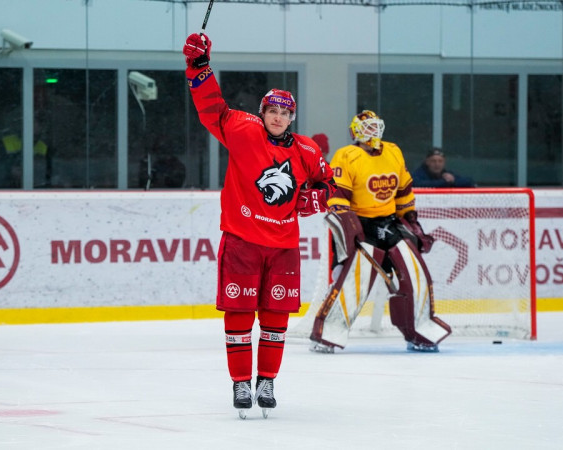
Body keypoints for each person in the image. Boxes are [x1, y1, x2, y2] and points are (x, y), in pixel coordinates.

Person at [183, 33, 336, 419]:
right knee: (237, 315)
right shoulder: (243, 130)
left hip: (283, 247)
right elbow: (211, 109)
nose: (278, 116)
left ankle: (265, 381)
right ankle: (239, 382)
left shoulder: (306, 151)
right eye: (272, 110)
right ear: (263, 112)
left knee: (275, 317)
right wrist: (199, 68)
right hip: (241, 242)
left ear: (292, 117)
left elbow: (327, 183)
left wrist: (314, 198)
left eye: (284, 112)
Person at [310, 110, 451, 354]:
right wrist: (348, 227)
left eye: (376, 127)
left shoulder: (393, 151)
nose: (373, 132)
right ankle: (326, 334)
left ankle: (418, 330)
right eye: (368, 128)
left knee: (415, 272)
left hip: (388, 222)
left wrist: (411, 221)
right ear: (356, 132)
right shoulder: (347, 155)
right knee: (352, 282)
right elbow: (337, 196)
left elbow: (404, 191)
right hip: (359, 226)